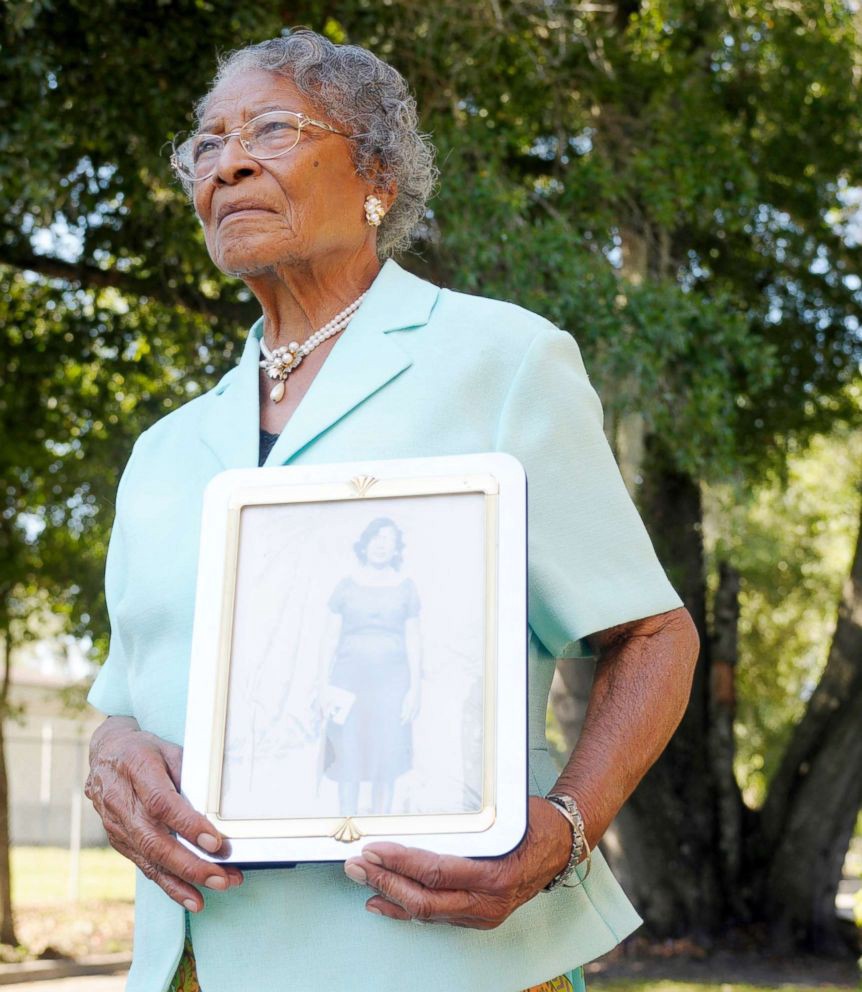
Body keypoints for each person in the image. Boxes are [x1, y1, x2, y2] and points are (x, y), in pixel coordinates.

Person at [84, 28, 699, 992]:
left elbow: (654, 635)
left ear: (375, 172)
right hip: (196, 961)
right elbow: (122, 703)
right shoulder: (164, 451)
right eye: (206, 144)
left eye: (271, 129)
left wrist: (566, 828)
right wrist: (114, 756)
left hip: (439, 960)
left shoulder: (500, 362)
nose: (227, 163)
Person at [320, 517, 421, 816]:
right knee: (348, 756)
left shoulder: (406, 588)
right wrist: (323, 687)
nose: (381, 545)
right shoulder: (345, 586)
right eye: (376, 538)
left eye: (388, 539)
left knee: (386, 758)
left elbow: (414, 641)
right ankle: (347, 823)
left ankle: (381, 824)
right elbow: (329, 639)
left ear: (396, 548)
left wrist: (415, 690)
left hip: (392, 687)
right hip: (348, 684)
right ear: (364, 544)